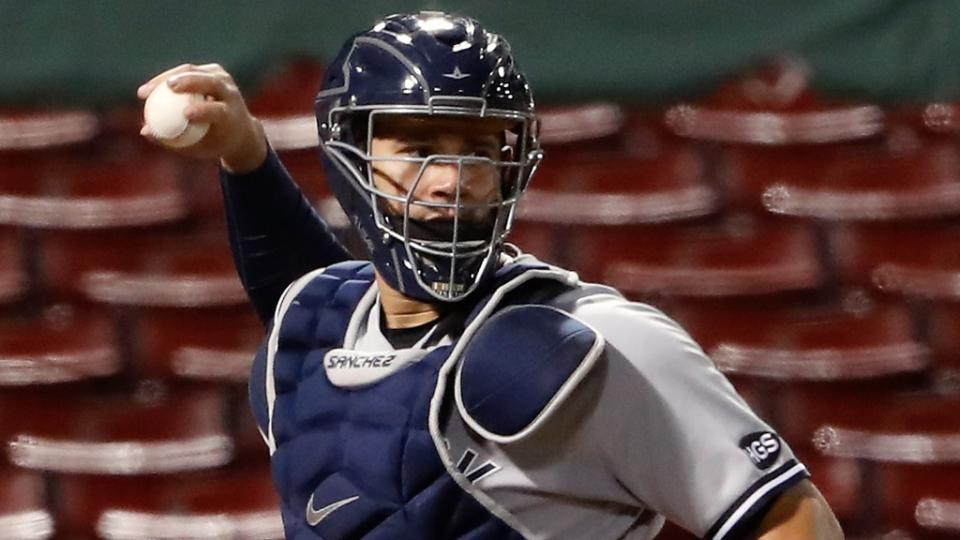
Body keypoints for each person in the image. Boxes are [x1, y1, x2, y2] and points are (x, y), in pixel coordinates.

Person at [138, 11, 843, 540]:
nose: (450, 179)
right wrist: (245, 155)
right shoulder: (315, 329)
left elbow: (786, 516)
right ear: (352, 156)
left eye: (477, 149)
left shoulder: (593, 342)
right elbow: (321, 309)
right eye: (417, 146)